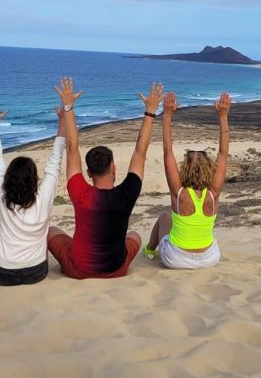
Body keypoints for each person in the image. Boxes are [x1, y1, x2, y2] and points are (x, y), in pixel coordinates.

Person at [47, 77, 164, 279]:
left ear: (89, 174)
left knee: (50, 231)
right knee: (135, 235)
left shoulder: (79, 191)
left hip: (79, 269)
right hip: (117, 269)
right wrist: (150, 111)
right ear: (114, 169)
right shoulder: (126, 193)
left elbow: (72, 148)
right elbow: (140, 152)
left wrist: (68, 106)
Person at [144, 91, 231, 269]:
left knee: (164, 217)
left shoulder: (179, 192)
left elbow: (168, 152)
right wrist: (223, 116)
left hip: (177, 259)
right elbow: (223, 153)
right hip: (210, 258)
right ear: (209, 168)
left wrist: (167, 115)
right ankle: (152, 250)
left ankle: (149, 251)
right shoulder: (214, 193)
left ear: (185, 167)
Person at [0, 99, 65, 286]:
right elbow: (55, 161)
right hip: (36, 273)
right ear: (34, 179)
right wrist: (62, 123)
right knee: (45, 228)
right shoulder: (44, 196)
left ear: (8, 180)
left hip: (3, 275)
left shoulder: (2, 195)